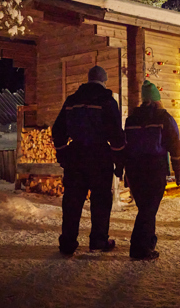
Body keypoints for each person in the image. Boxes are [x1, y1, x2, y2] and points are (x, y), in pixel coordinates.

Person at [51, 65, 125, 255]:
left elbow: (58, 129)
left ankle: (67, 243)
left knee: (72, 201)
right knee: (100, 199)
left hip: (75, 154)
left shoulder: (72, 100)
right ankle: (98, 240)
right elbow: (115, 133)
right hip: (99, 154)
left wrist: (62, 152)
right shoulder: (106, 101)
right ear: (104, 80)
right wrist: (119, 159)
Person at [122, 80, 180, 261]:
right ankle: (139, 248)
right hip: (154, 167)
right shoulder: (163, 118)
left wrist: (123, 167)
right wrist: (178, 169)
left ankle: (149, 242)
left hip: (134, 168)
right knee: (149, 209)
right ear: (157, 100)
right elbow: (175, 145)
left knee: (145, 207)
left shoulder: (131, 119)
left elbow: (125, 145)